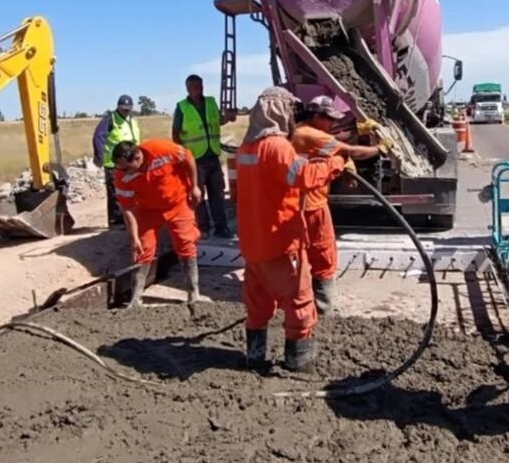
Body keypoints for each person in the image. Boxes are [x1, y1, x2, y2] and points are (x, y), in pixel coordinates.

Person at [235, 87, 350, 372]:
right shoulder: (277, 147)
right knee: (300, 303)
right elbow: (304, 176)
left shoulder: (245, 149)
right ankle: (299, 362)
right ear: (279, 111)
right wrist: (336, 163)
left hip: (253, 244)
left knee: (258, 305)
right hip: (280, 243)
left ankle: (255, 358)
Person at [291, 96, 386, 316]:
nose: (333, 123)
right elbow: (348, 150)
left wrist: (357, 129)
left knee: (306, 255)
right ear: (317, 117)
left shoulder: (303, 130)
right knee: (323, 254)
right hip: (311, 205)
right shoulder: (309, 135)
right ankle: (322, 309)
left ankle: (305, 302)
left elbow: (334, 138)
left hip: (303, 203)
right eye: (329, 119)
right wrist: (379, 149)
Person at [112, 139, 203, 308]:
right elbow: (128, 208)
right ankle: (136, 298)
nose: (122, 172)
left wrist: (194, 187)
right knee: (143, 249)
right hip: (148, 210)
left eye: (126, 168)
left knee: (185, 243)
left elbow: (188, 158)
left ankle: (193, 292)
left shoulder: (162, 149)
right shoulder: (121, 175)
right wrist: (133, 238)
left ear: (137, 158)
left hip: (178, 203)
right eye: (119, 168)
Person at [172, 75, 235, 239]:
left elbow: (218, 121)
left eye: (200, 87)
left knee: (218, 194)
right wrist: (183, 155)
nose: (198, 90)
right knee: (198, 195)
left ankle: (222, 227)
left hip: (213, 155)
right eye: (194, 87)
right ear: (187, 89)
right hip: (195, 159)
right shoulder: (182, 107)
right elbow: (176, 133)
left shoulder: (211, 102)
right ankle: (203, 228)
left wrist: (227, 118)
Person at [92, 95, 140, 229]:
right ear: (118, 106)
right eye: (123, 109)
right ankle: (116, 221)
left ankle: (130, 219)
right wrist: (99, 157)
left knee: (130, 191)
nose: (126, 111)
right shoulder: (110, 119)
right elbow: (98, 137)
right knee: (116, 193)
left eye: (128, 109)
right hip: (114, 164)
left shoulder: (132, 120)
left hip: (130, 163)